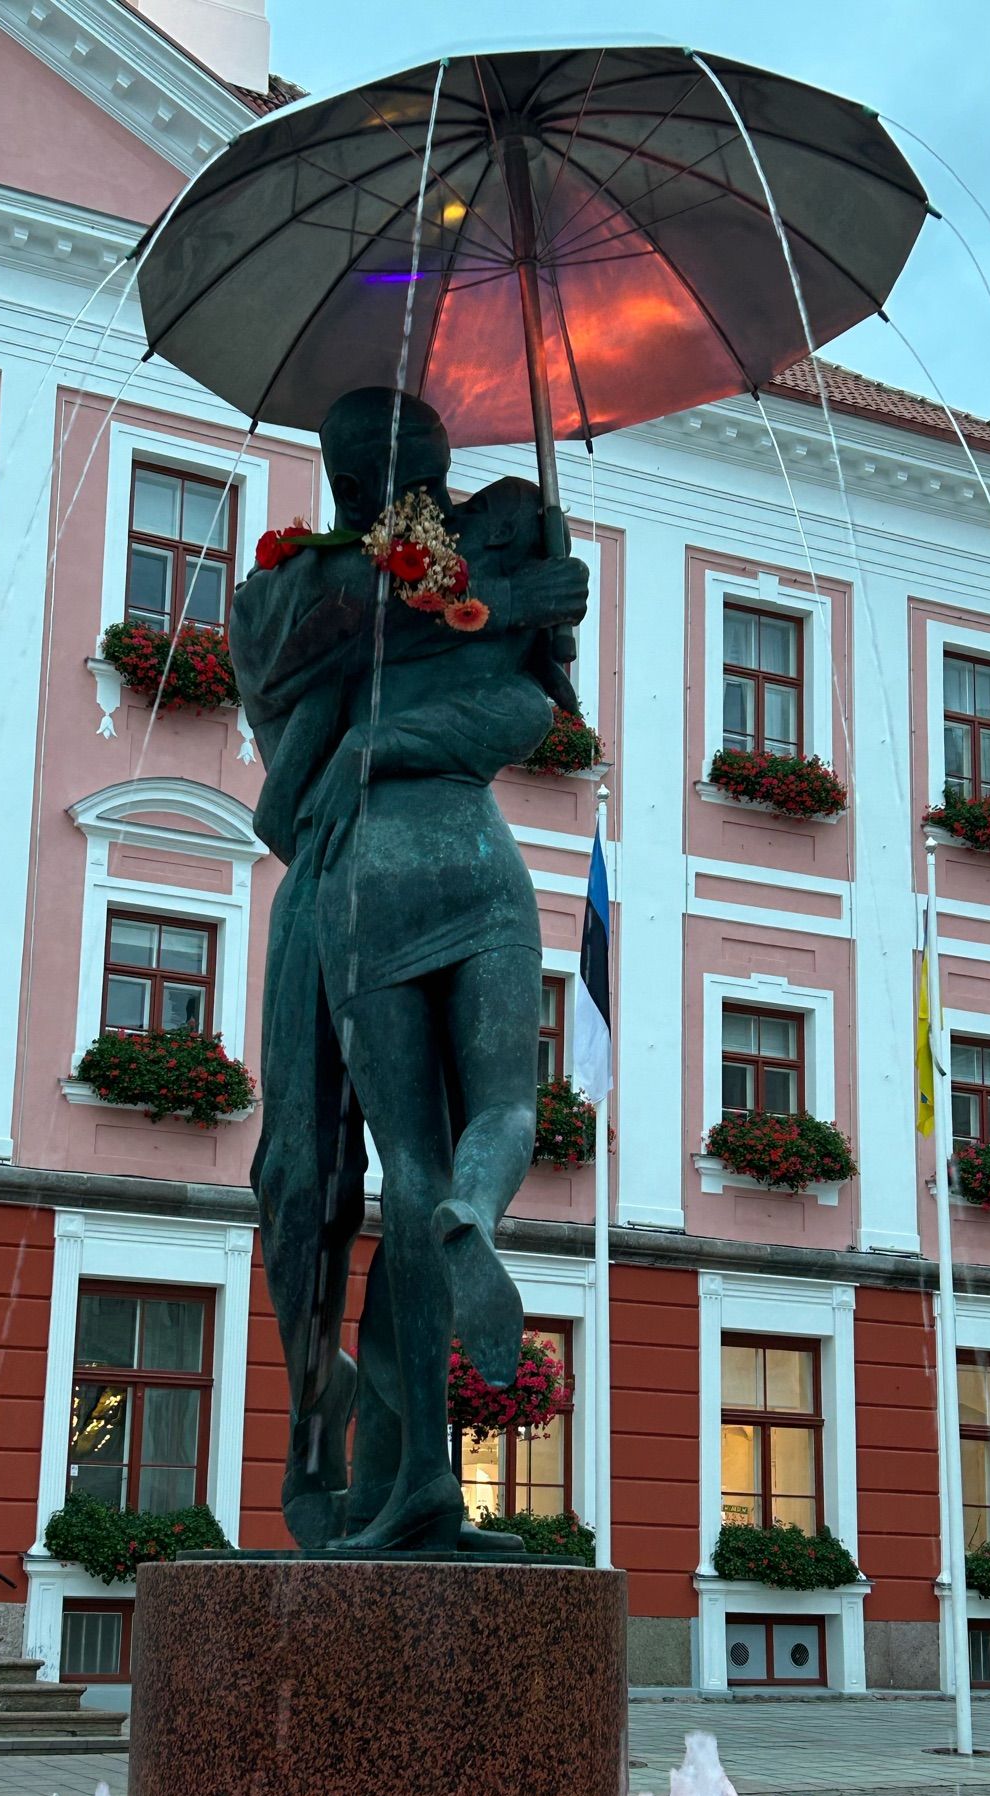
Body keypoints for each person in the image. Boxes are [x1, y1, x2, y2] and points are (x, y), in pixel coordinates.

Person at [232, 387, 589, 1550]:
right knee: (419, 1154)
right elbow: (339, 621)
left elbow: (526, 700)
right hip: (455, 864)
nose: (422, 499)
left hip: (370, 873)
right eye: (412, 474)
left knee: (385, 1173)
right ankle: (457, 1244)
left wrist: (532, 615)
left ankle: (409, 1470)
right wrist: (516, 606)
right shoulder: (305, 581)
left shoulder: (411, 581)